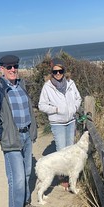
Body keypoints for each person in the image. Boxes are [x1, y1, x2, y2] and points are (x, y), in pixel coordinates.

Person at [0, 55, 41, 207]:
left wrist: (33, 129)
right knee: (16, 178)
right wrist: (4, 136)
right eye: (8, 67)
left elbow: (29, 111)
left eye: (15, 66)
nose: (12, 70)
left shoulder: (21, 86)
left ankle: (25, 203)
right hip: (12, 139)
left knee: (25, 174)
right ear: (1, 69)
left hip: (26, 136)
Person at [38, 58, 82, 186]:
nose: (58, 73)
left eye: (60, 70)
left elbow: (78, 98)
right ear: (51, 72)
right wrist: (56, 110)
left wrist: (74, 108)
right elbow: (42, 105)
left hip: (71, 121)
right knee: (61, 150)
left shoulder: (70, 83)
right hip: (57, 123)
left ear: (64, 70)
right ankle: (62, 178)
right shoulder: (48, 87)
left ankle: (70, 176)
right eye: (55, 71)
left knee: (71, 149)